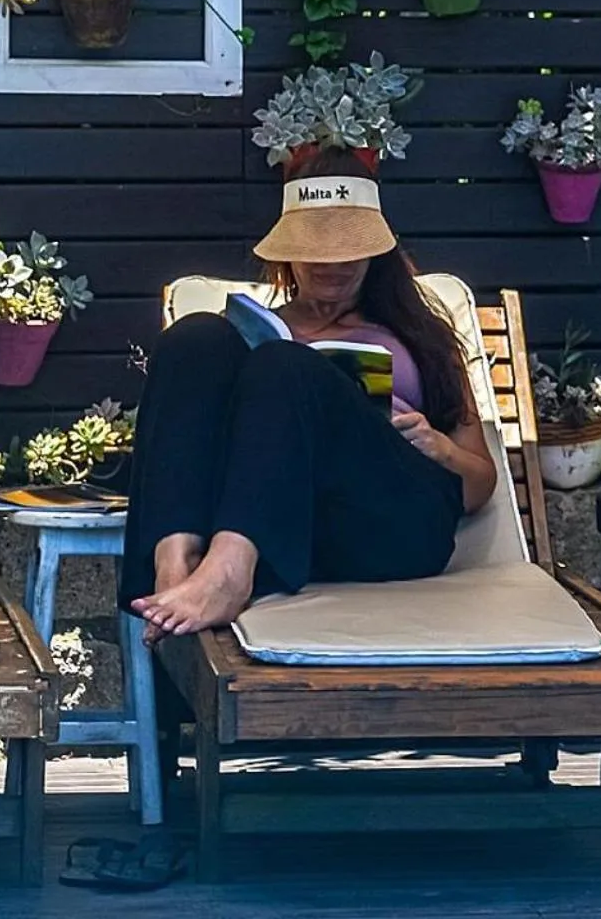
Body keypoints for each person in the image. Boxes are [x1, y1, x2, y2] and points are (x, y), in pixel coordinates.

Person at [118, 147, 498, 640]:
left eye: (347, 251)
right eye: (316, 250)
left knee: (287, 364)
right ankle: (176, 561)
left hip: (394, 520)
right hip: (291, 527)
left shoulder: (420, 335)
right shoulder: (265, 334)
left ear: (375, 253)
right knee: (194, 337)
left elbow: (481, 486)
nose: (331, 265)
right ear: (288, 252)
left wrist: (440, 448)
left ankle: (230, 572)